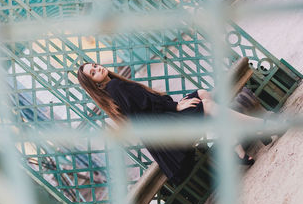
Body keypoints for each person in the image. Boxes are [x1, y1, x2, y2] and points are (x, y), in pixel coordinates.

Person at [77, 63, 259, 186]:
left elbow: (147, 105)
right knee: (207, 105)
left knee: (202, 94)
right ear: (94, 84)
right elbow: (148, 106)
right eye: (93, 73)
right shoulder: (115, 86)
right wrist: (177, 106)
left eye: (94, 65)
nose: (97, 69)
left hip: (165, 123)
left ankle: (236, 149)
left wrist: (175, 107)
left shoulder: (114, 89)